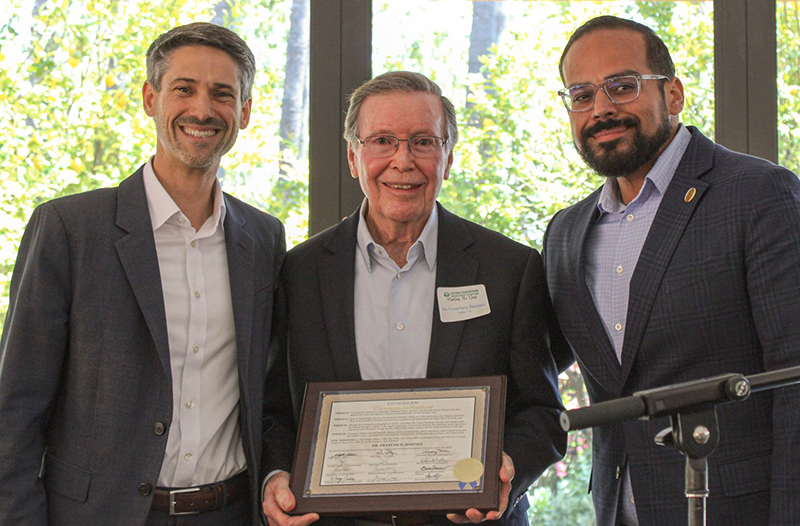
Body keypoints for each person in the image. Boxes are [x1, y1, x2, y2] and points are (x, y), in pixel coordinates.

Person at [0, 22, 285, 525]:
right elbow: (14, 410)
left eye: (222, 94)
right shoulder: (69, 229)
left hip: (231, 513)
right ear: (151, 98)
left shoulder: (263, 239)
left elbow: (270, 394)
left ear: (243, 111)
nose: (202, 110)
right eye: (184, 89)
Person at [260, 71, 566, 526]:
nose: (403, 161)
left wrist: (508, 472)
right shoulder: (298, 272)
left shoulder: (510, 269)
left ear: (448, 158)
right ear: (353, 156)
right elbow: (275, 410)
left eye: (423, 142)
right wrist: (276, 477)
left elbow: (541, 413)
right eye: (382, 141)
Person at [543, 15, 800, 526]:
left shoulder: (758, 195)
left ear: (674, 94)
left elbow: (796, 379)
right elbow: (535, 369)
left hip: (736, 509)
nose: (602, 109)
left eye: (622, 86)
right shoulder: (565, 234)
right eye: (582, 95)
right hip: (620, 511)